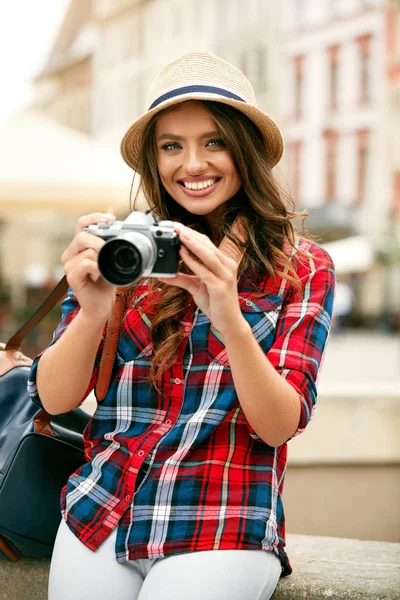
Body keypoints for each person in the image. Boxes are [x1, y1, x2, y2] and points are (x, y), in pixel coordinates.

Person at [28, 52, 336, 600]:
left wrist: (229, 315)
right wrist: (93, 306)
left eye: (214, 141)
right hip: (103, 505)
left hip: (225, 514)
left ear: (245, 151)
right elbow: (55, 398)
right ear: (154, 160)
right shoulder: (127, 250)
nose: (192, 163)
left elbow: (278, 425)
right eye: (172, 146)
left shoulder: (302, 266)